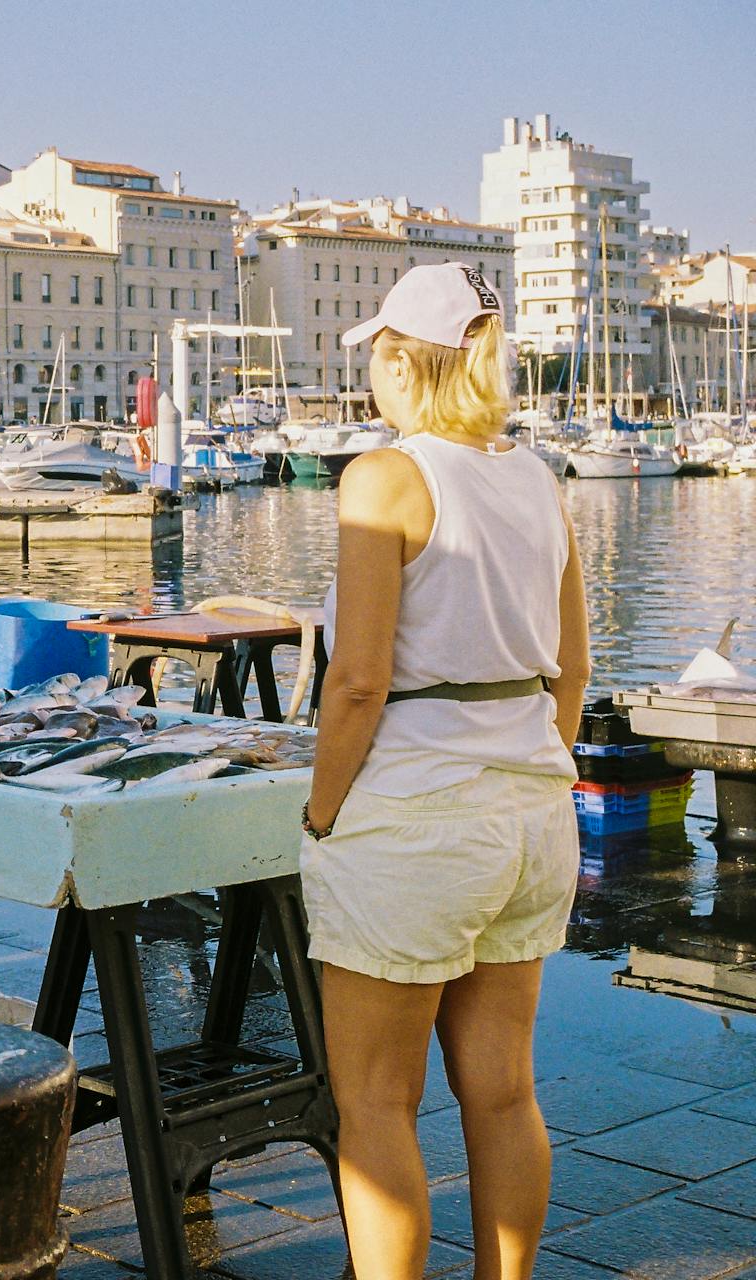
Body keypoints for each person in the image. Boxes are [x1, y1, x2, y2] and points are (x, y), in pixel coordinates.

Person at [303, 263, 590, 1279]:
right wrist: (527, 766)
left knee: (377, 1101)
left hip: (418, 816)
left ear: (398, 358)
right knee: (504, 1088)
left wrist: (324, 810)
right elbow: (575, 664)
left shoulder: (386, 477)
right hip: (531, 812)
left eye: (377, 355)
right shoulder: (537, 477)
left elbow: (358, 681)